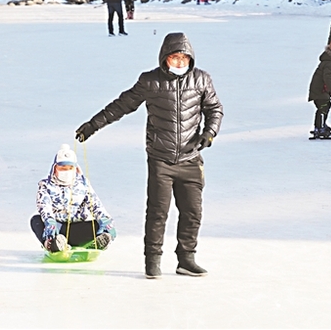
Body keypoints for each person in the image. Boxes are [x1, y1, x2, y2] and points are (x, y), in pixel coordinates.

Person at [75, 32, 223, 279]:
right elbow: (121, 105)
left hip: (191, 158)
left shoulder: (202, 80)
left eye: (183, 58)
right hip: (160, 159)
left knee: (192, 212)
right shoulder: (150, 81)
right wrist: (93, 125)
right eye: (174, 57)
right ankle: (152, 261)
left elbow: (214, 109)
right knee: (157, 213)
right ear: (165, 58)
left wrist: (209, 134)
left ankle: (186, 259)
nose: (179, 62)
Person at [30, 144, 117, 253]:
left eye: (70, 168)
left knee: (97, 224)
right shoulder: (46, 186)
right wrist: (50, 222)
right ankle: (53, 245)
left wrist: (105, 220)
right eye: (62, 168)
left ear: (75, 168)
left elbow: (95, 204)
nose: (66, 171)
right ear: (55, 168)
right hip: (58, 228)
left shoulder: (83, 184)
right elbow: (44, 207)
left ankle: (96, 243)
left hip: (77, 228)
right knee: (36, 220)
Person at [308, 39, 331, 140]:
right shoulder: (329, 64)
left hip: (321, 89)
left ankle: (320, 126)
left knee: (324, 106)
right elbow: (327, 78)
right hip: (319, 90)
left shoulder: (330, 63)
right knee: (323, 106)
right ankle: (320, 128)